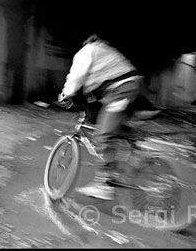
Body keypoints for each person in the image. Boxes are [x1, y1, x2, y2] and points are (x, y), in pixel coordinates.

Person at [58, 34, 143, 200]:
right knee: (112, 127)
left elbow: (76, 76)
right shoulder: (106, 51)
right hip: (131, 87)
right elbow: (100, 83)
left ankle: (102, 186)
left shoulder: (87, 51)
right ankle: (135, 151)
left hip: (122, 89)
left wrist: (66, 94)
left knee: (102, 135)